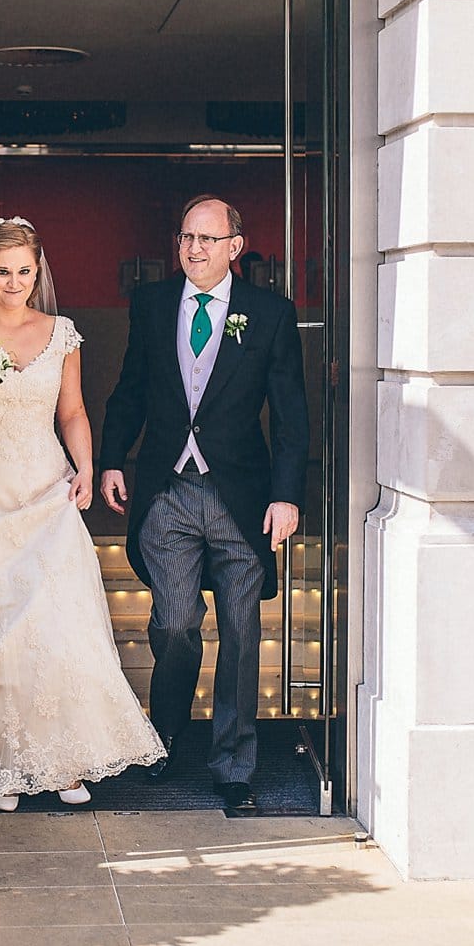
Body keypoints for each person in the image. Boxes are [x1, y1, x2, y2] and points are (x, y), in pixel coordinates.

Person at [0, 217, 164, 812]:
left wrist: (85, 466)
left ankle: (62, 759)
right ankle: (2, 759)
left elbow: (72, 411)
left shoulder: (62, 334)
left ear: (38, 271)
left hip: (45, 490)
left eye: (25, 271)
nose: (15, 282)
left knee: (57, 622)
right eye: (3, 271)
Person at [97, 196, 309, 813]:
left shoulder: (269, 314)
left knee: (241, 632)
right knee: (175, 625)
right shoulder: (153, 304)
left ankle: (233, 764)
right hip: (168, 494)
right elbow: (129, 390)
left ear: (235, 247)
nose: (195, 249)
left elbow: (290, 417)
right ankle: (164, 735)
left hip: (240, 497)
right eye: (187, 237)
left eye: (209, 240)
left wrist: (286, 497)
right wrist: (114, 458)